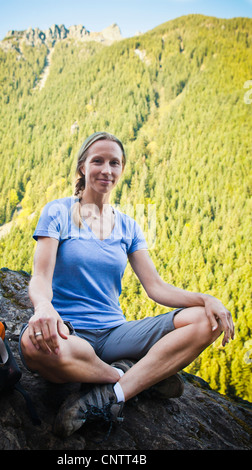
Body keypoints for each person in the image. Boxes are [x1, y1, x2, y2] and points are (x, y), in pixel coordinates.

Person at [19, 131, 234, 438]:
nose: (106, 169)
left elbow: (156, 288)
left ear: (121, 170)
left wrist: (205, 299)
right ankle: (132, 376)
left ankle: (111, 395)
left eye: (114, 163)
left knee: (206, 322)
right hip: (69, 332)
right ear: (82, 167)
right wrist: (43, 307)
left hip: (115, 334)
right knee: (31, 346)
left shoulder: (128, 226)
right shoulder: (58, 212)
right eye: (98, 161)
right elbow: (40, 276)